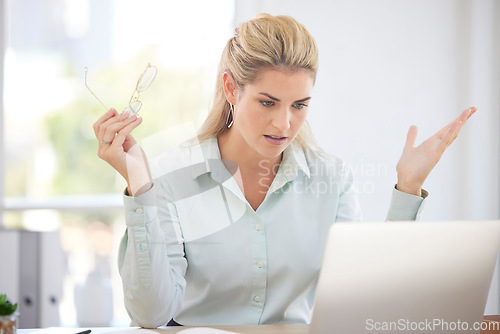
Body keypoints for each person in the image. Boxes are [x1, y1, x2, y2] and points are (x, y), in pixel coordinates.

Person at [93, 14, 476, 328]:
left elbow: (366, 298)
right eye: (267, 102)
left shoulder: (331, 179)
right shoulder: (171, 176)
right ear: (231, 88)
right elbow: (151, 313)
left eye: (299, 105)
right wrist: (141, 189)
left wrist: (408, 188)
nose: (283, 124)